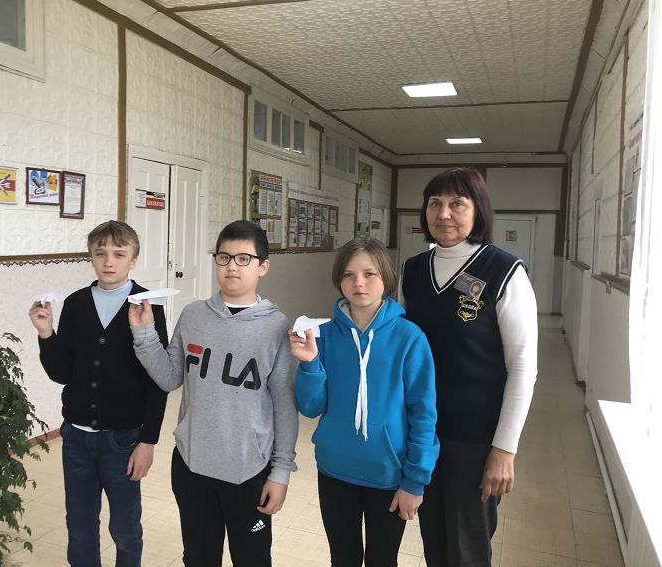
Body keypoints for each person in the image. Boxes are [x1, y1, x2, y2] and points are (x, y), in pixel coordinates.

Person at [128, 219, 298, 567]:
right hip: (192, 465)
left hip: (248, 470)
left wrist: (280, 472)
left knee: (252, 559)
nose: (232, 266)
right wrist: (144, 334)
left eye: (243, 259)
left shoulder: (277, 327)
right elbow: (169, 379)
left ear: (263, 266)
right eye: (224, 257)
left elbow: (284, 405)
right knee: (199, 557)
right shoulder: (193, 315)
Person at [399, 168, 538, 567]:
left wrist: (504, 449)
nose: (444, 213)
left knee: (467, 548)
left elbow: (523, 366)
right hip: (422, 431)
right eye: (435, 203)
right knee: (434, 538)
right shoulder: (412, 270)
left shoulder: (504, 271)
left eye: (457, 204)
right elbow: (400, 347)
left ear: (478, 210)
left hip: (476, 438)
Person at [290, 237, 439, 567]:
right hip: (335, 470)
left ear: (386, 277)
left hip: (389, 474)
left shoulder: (409, 337)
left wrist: (415, 481)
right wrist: (309, 364)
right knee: (342, 558)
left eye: (369, 273)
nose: (358, 283)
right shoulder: (324, 334)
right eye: (349, 274)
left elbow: (424, 415)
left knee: (382, 560)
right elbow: (311, 407)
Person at [29, 220, 168, 567]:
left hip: (123, 439)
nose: (109, 262)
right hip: (76, 437)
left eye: (119, 254)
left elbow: (157, 378)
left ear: (133, 260)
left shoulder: (147, 305)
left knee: (125, 527)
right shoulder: (76, 303)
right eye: (100, 253)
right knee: (79, 526)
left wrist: (148, 441)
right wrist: (46, 334)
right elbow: (62, 373)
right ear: (90, 257)